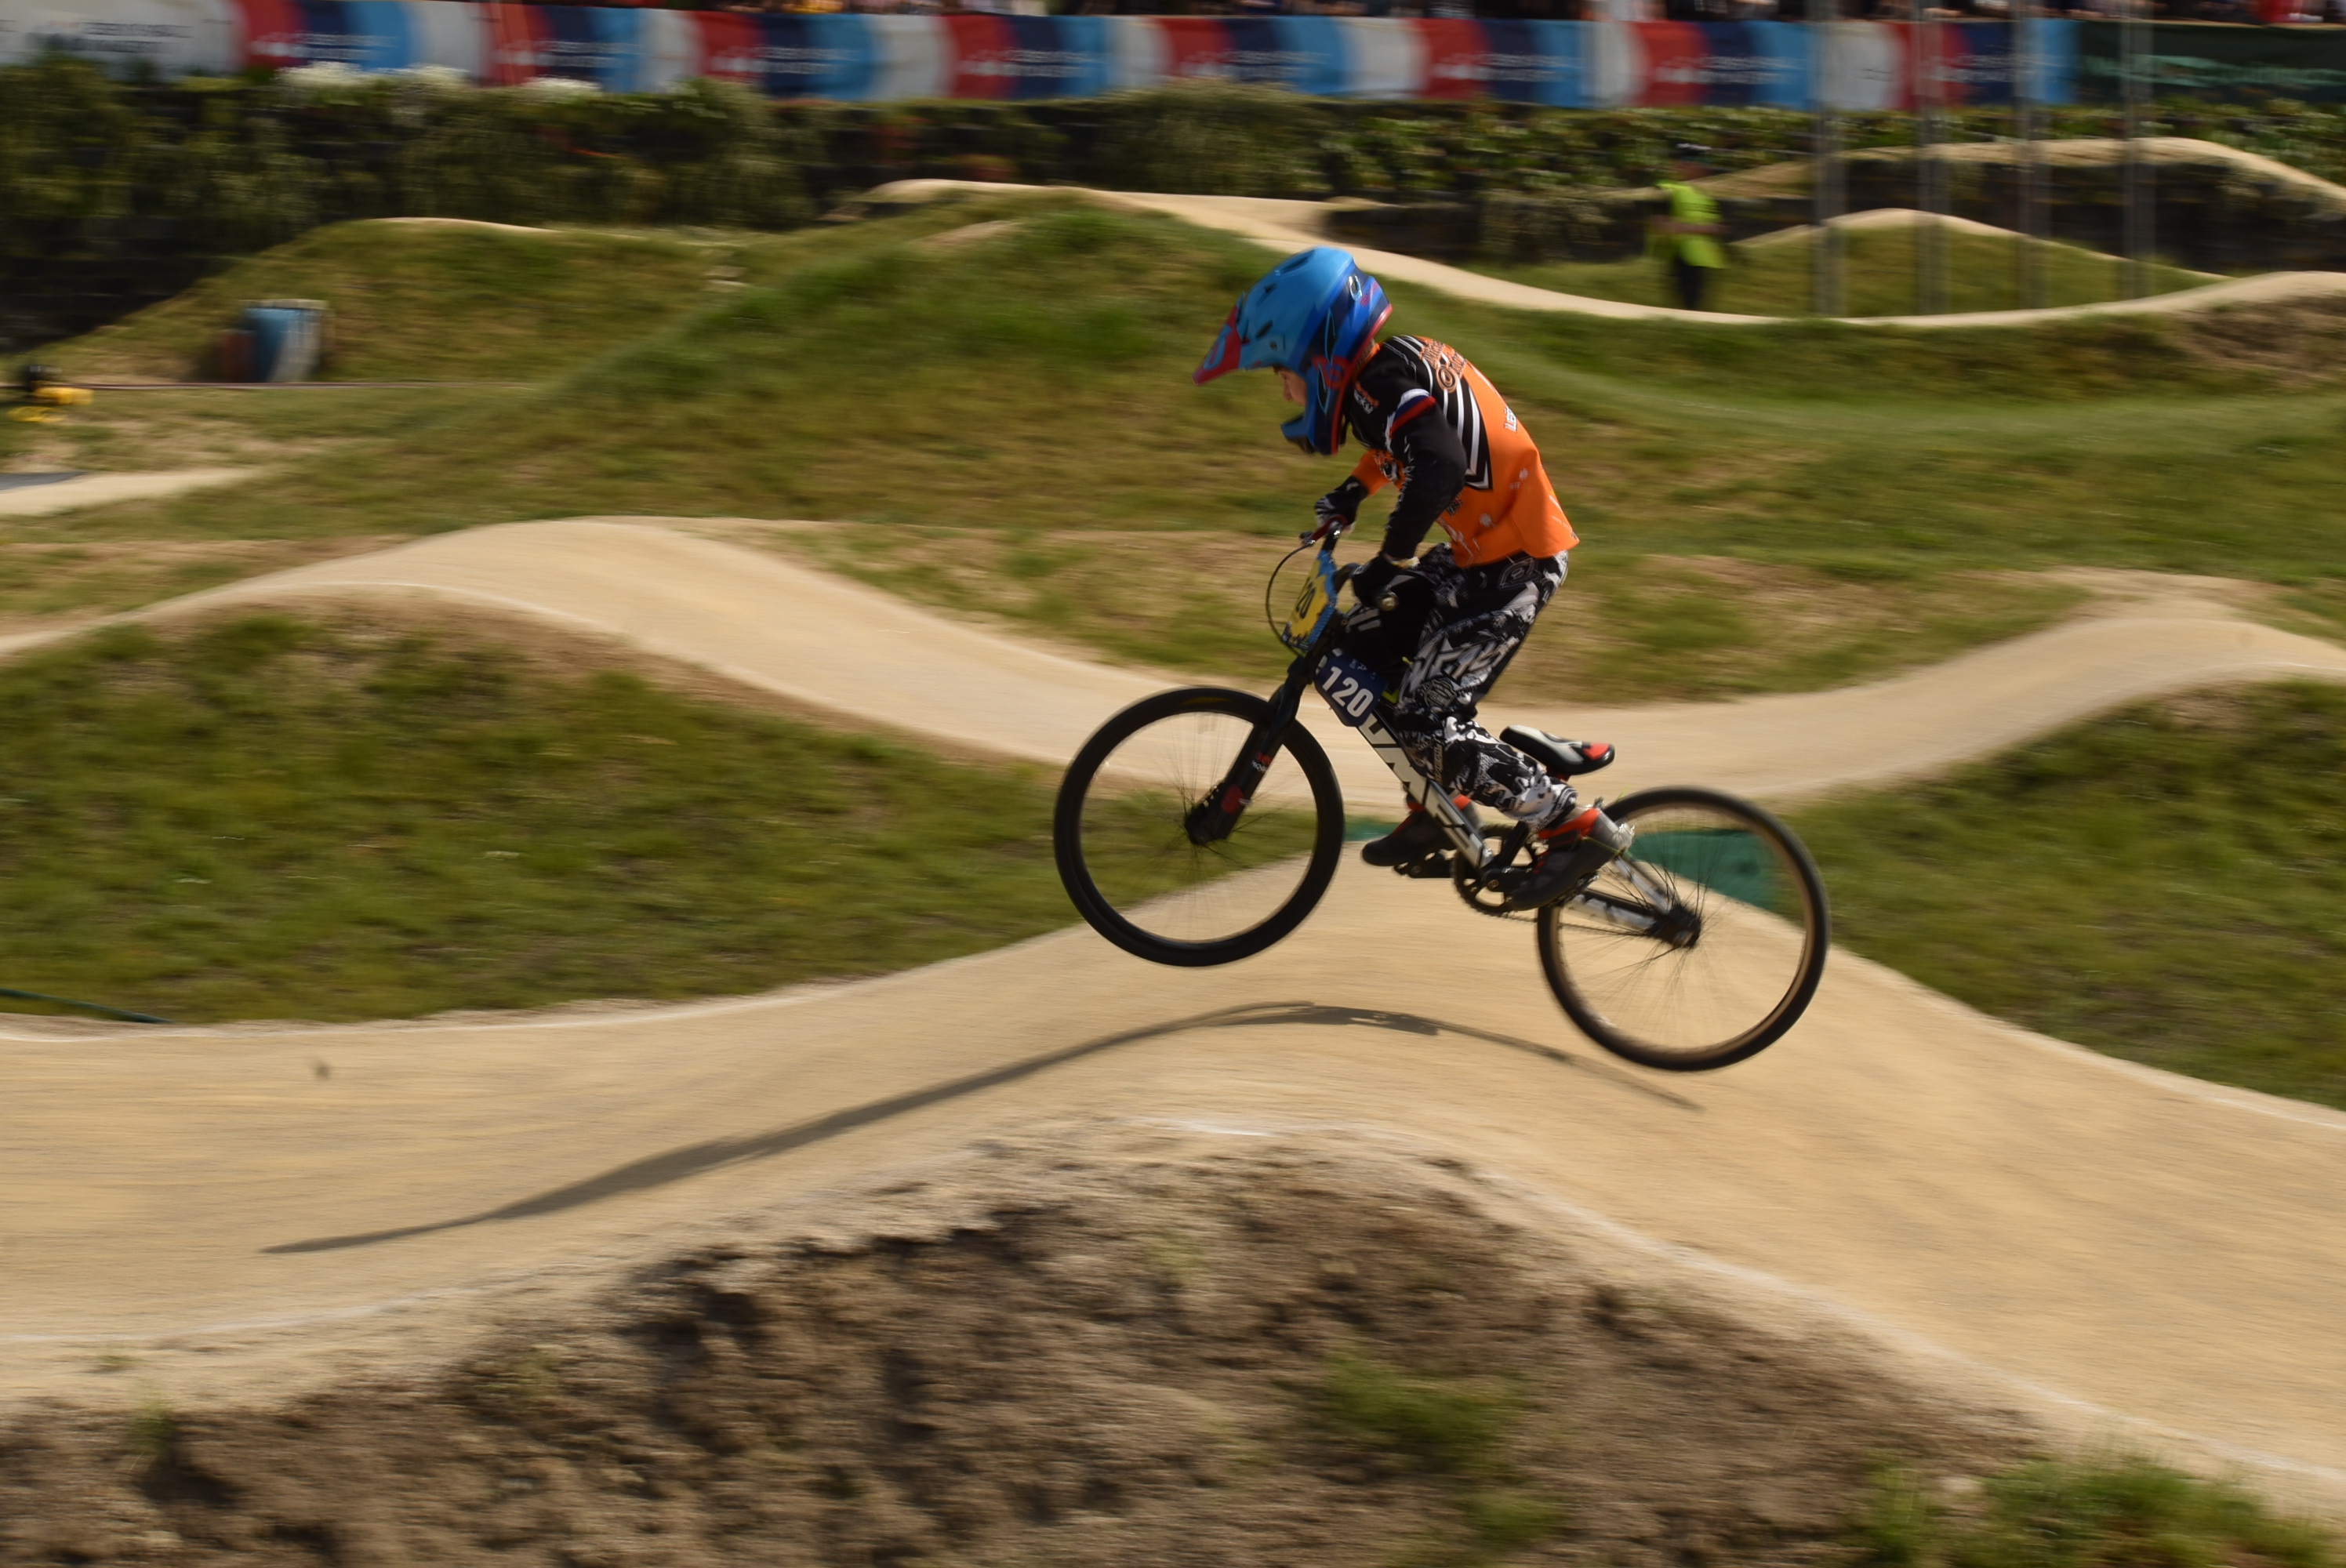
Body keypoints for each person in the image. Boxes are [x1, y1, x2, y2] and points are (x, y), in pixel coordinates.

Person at [1193, 246, 1618, 911]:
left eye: (1283, 371)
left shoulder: (1381, 386)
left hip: (1515, 566)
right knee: (1355, 648)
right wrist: (1352, 492)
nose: (1283, 389)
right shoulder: (1383, 379)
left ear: (1318, 356)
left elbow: (1440, 464)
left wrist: (1391, 558)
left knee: (1426, 721)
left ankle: (1570, 824)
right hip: (1476, 557)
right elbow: (1403, 442)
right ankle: (1435, 806)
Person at [1652, 143, 1727, 311]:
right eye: (1699, 161)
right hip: (1682, 258)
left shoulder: (1704, 195)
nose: (1705, 166)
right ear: (1682, 164)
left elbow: (1718, 227)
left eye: (1705, 162)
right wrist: (1706, 229)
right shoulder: (1668, 190)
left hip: (1705, 261)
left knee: (1697, 310)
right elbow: (1662, 225)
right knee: (1688, 308)